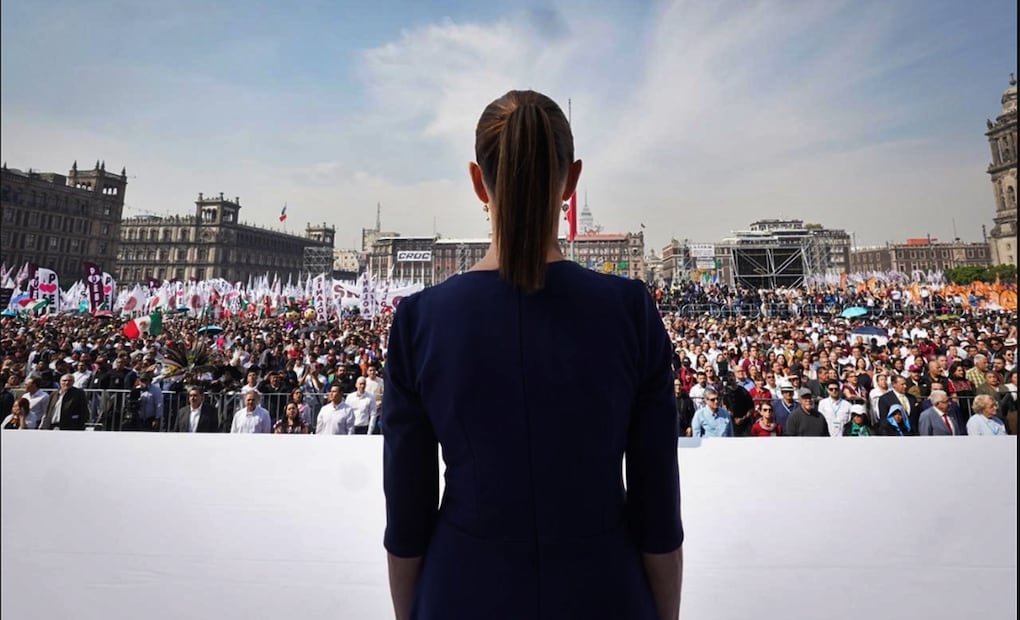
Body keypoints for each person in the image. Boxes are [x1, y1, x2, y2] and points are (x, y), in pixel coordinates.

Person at [382, 91, 682, 620]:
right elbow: (657, 514)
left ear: (478, 181)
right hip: (604, 590)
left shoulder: (419, 321)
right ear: (571, 181)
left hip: (462, 589)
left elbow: (406, 523)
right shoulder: (630, 312)